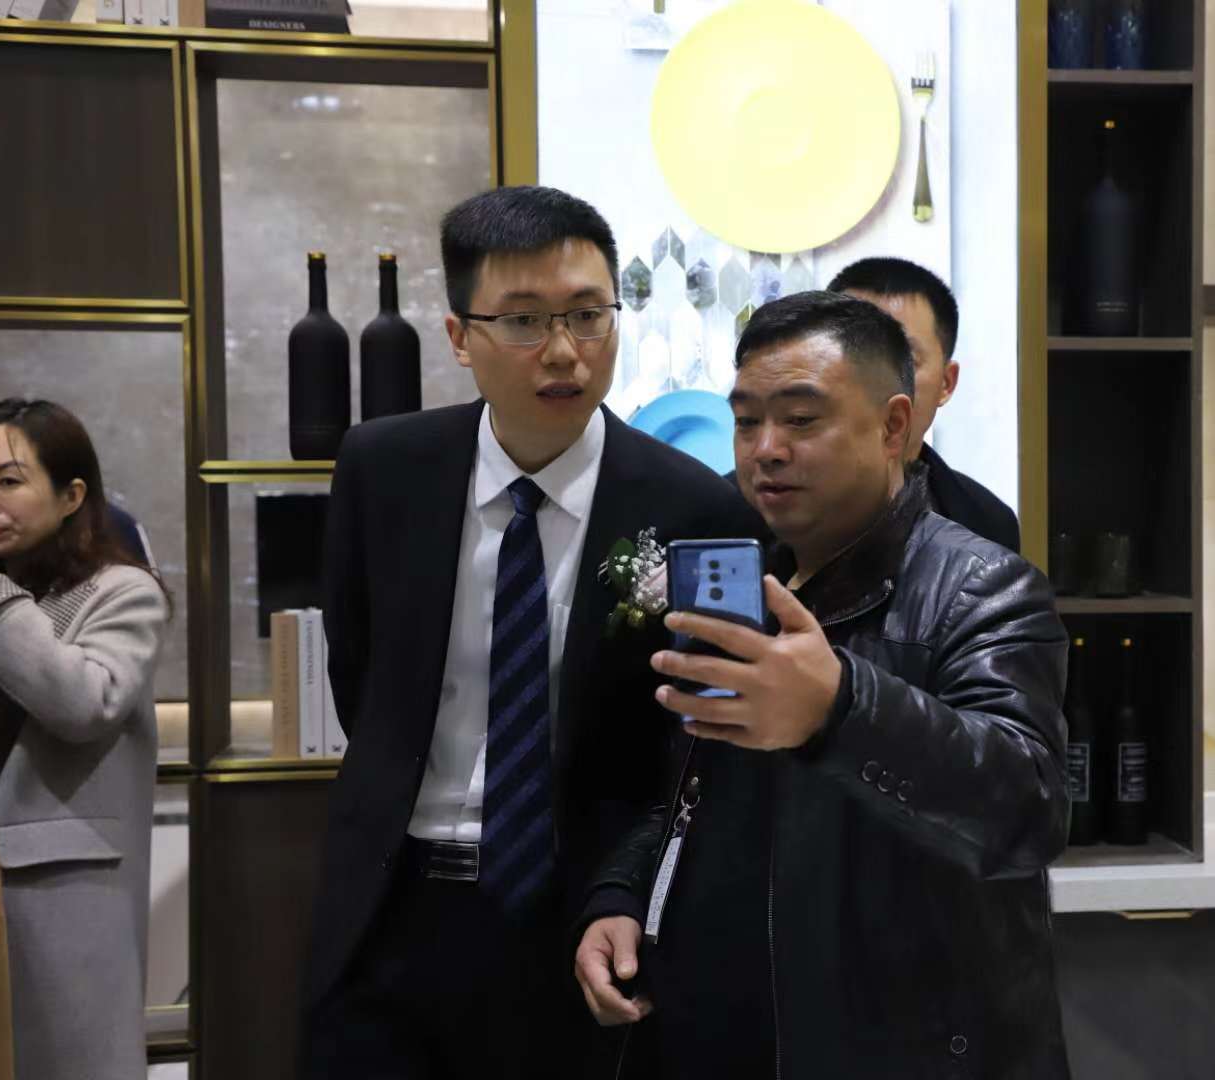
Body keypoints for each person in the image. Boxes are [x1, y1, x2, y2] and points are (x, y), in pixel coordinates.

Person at [299, 185, 761, 1079]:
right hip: (393, 903)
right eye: (522, 321)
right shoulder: (383, 469)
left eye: (588, 315)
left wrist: (623, 888)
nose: (562, 351)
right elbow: (361, 676)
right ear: (459, 335)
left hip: (586, 914)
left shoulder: (697, 507)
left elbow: (700, 743)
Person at [575, 292, 1071, 1078]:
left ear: (894, 427)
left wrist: (841, 709)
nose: (766, 449)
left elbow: (1027, 808)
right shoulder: (744, 580)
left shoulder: (982, 588)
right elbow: (693, 788)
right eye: (747, 422)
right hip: (717, 1033)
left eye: (802, 420)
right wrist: (623, 894)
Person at [0, 398, 171, 1080]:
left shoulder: (122, 591)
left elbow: (83, 703)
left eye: (9, 481)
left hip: (57, 895)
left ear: (71, 496)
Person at [829, 256, 1021, 552]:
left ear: (946, 383)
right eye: (854, 353)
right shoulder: (759, 502)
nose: (873, 379)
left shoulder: (987, 522)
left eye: (904, 359)